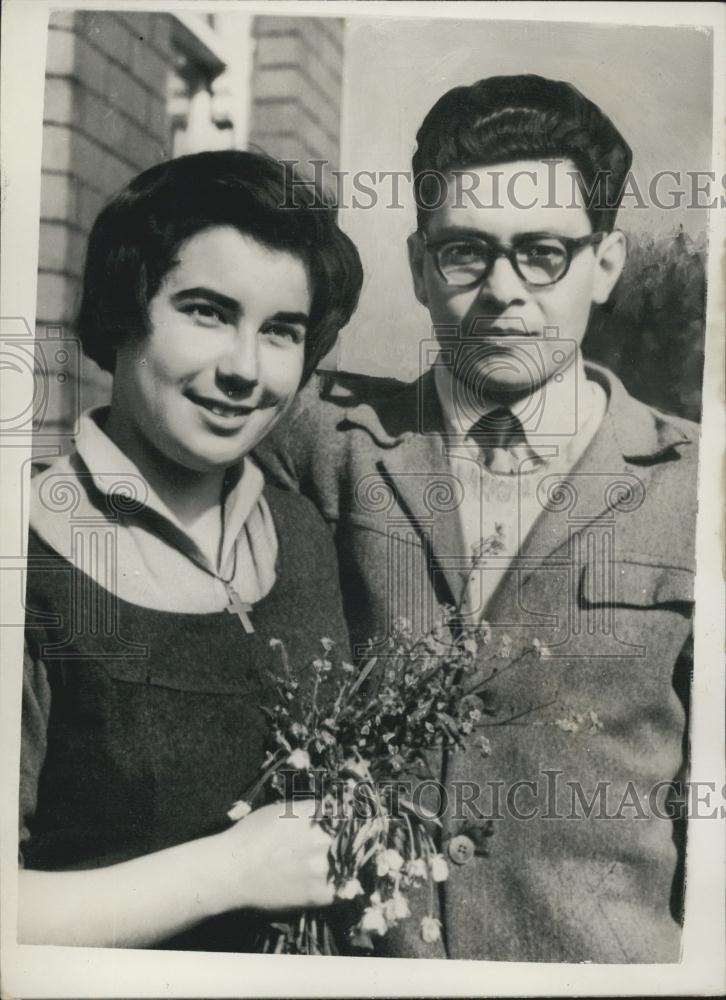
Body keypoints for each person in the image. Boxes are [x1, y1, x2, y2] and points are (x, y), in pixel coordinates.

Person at [256, 75, 698, 962]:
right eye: (465, 252)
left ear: (604, 264)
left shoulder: (699, 482)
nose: (503, 289)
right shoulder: (315, 439)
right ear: (421, 266)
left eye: (544, 252)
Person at [19, 150, 363, 950]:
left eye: (281, 331)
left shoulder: (305, 535)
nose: (244, 369)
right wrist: (230, 872)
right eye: (207, 312)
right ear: (122, 310)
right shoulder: (23, 551)